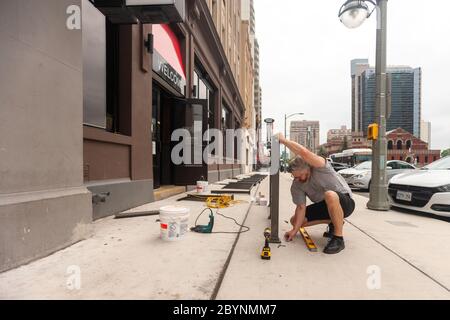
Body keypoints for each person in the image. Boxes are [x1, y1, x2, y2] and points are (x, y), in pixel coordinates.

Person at [276, 133, 355, 254]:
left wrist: (283, 140)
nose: (298, 180)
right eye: (295, 177)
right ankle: (334, 221)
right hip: (325, 206)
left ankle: (338, 239)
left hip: (345, 203)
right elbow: (301, 207)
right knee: (295, 220)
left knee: (330, 194)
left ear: (307, 168)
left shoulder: (320, 166)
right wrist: (294, 230)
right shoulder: (297, 185)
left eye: (300, 176)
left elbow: (304, 153)